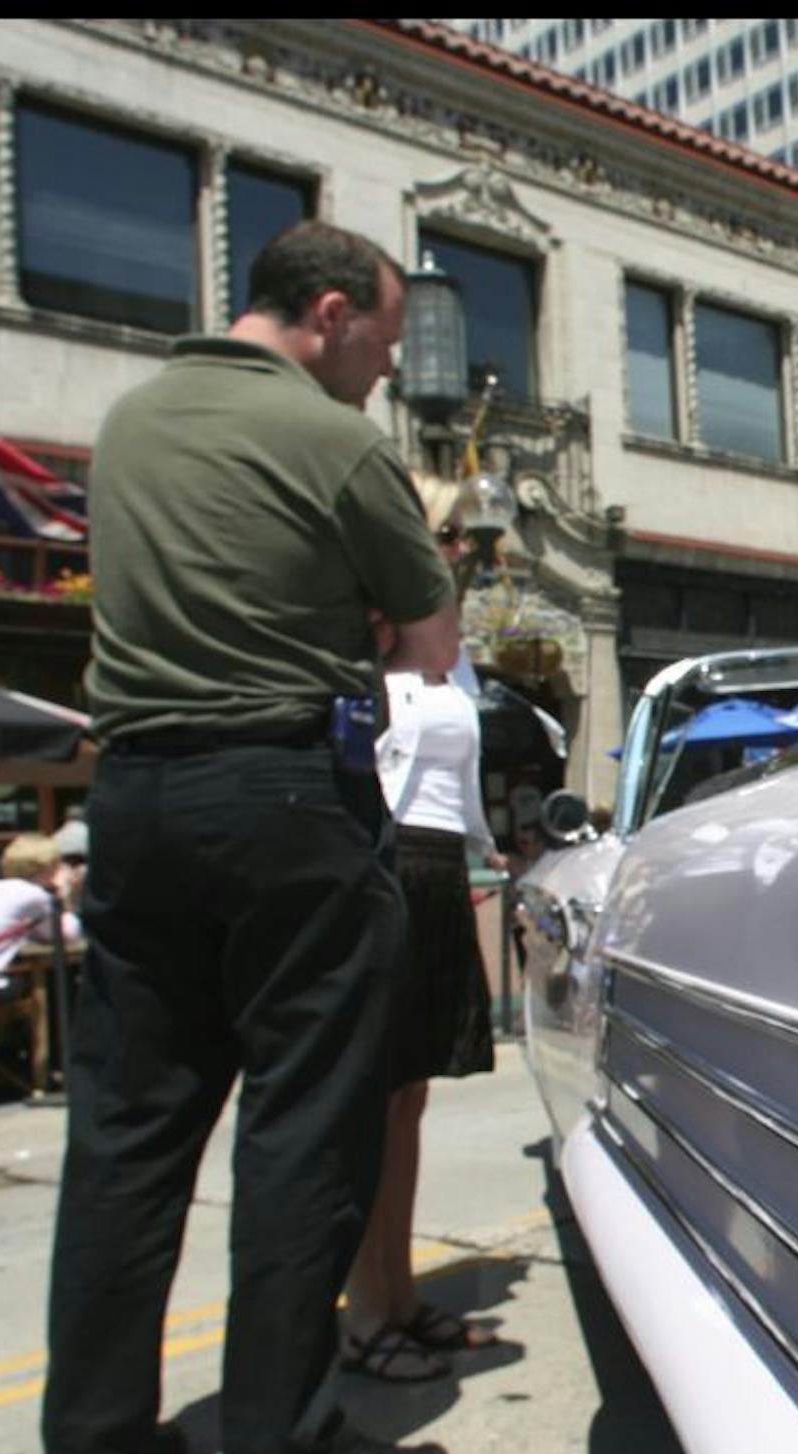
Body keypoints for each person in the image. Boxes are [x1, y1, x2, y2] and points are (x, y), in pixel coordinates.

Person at [39, 220, 461, 1454]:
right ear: (328, 312)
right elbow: (436, 647)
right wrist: (367, 613)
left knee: (124, 1134)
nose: (386, 371)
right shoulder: (336, 444)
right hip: (284, 797)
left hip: (136, 798)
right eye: (383, 343)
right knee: (303, 1124)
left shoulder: (130, 424)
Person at [342, 475, 504, 1381]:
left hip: (439, 864)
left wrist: (485, 855)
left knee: (411, 1096)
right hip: (386, 858)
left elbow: (457, 775)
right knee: (377, 1095)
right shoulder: (366, 636)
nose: (458, 555)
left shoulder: (448, 654)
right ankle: (366, 1310)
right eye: (446, 536)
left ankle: (397, 1295)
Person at [0, 833, 77, 1000]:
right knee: (47, 985)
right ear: (49, 867)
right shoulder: (34, 895)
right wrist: (66, 894)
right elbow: (67, 933)